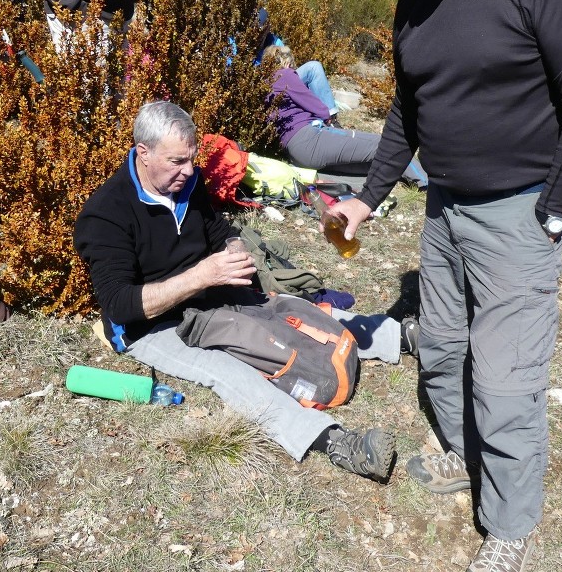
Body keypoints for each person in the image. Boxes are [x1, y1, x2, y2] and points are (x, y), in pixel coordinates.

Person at [331, 0, 562, 571]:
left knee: (506, 381)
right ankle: (463, 453)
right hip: (444, 211)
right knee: (444, 353)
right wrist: (367, 200)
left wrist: (553, 216)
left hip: (520, 213)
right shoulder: (413, 3)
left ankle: (510, 524)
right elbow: (406, 113)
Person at [73, 101, 408, 481]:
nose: (188, 170)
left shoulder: (187, 182)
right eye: (177, 161)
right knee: (224, 370)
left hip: (206, 292)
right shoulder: (106, 215)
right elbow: (121, 306)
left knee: (284, 307)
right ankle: (332, 441)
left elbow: (216, 229)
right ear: (143, 153)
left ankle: (399, 336)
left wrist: (233, 247)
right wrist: (201, 276)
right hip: (151, 326)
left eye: (192, 159)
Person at [265, 45, 428, 187]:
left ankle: (406, 175)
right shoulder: (284, 75)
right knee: (386, 144)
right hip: (310, 138)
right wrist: (328, 116)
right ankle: (425, 182)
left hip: (298, 154)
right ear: (284, 61)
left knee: (368, 164)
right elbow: (318, 108)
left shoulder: (265, 85)